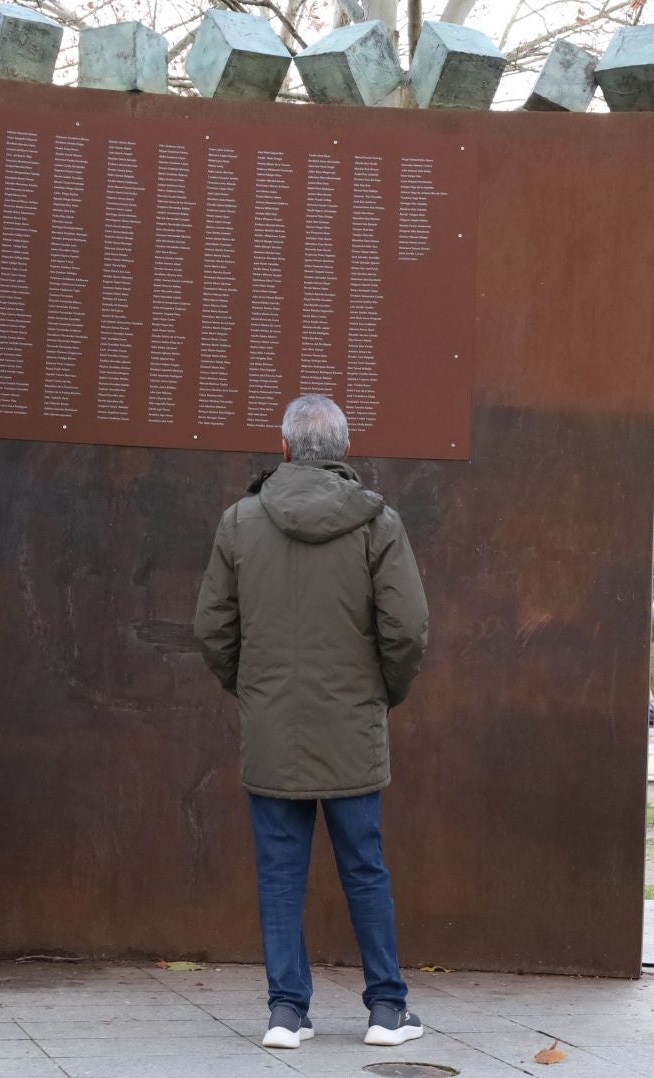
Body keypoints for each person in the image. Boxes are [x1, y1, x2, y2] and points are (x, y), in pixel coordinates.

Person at [194, 394, 430, 1050]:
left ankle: (285, 1012)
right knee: (364, 866)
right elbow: (407, 628)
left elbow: (211, 628)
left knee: (279, 870)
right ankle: (387, 1010)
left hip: (272, 726)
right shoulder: (377, 522)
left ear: (284, 448)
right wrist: (382, 693)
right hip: (352, 725)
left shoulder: (240, 522)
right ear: (346, 451)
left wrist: (250, 688)